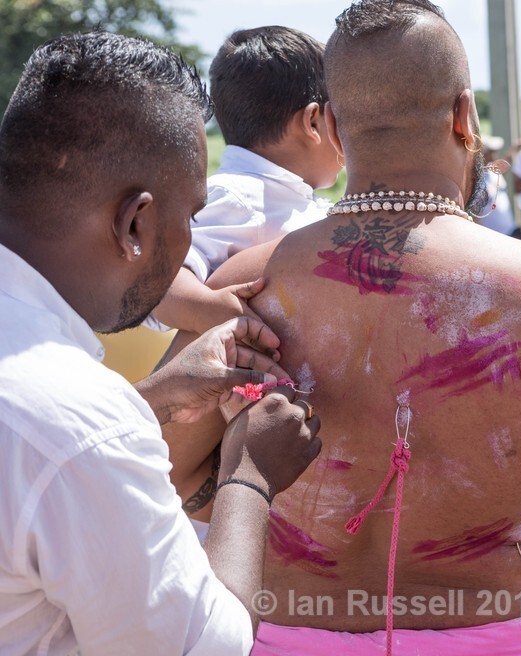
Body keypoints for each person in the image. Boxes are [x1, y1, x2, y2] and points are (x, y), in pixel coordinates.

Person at [165, 2, 521, 654]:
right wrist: (508, 476)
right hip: (489, 633)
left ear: (331, 125)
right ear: (464, 117)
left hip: (284, 629)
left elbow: (170, 470)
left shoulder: (245, 285)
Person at [0, 31, 322, 655]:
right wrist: (250, 476)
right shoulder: (80, 419)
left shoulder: (69, 417)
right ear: (134, 223)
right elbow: (207, 646)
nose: (193, 240)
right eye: (192, 216)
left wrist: (149, 399)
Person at [149, 25, 341, 335]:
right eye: (340, 119)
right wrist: (218, 314)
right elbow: (160, 281)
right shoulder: (237, 195)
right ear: (313, 122)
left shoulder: (293, 197)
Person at [475, 135, 520, 238]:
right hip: (492, 236)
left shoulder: (493, 171)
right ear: (482, 154)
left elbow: (506, 162)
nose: (495, 154)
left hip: (510, 231)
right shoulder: (475, 179)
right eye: (492, 151)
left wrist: (514, 149)